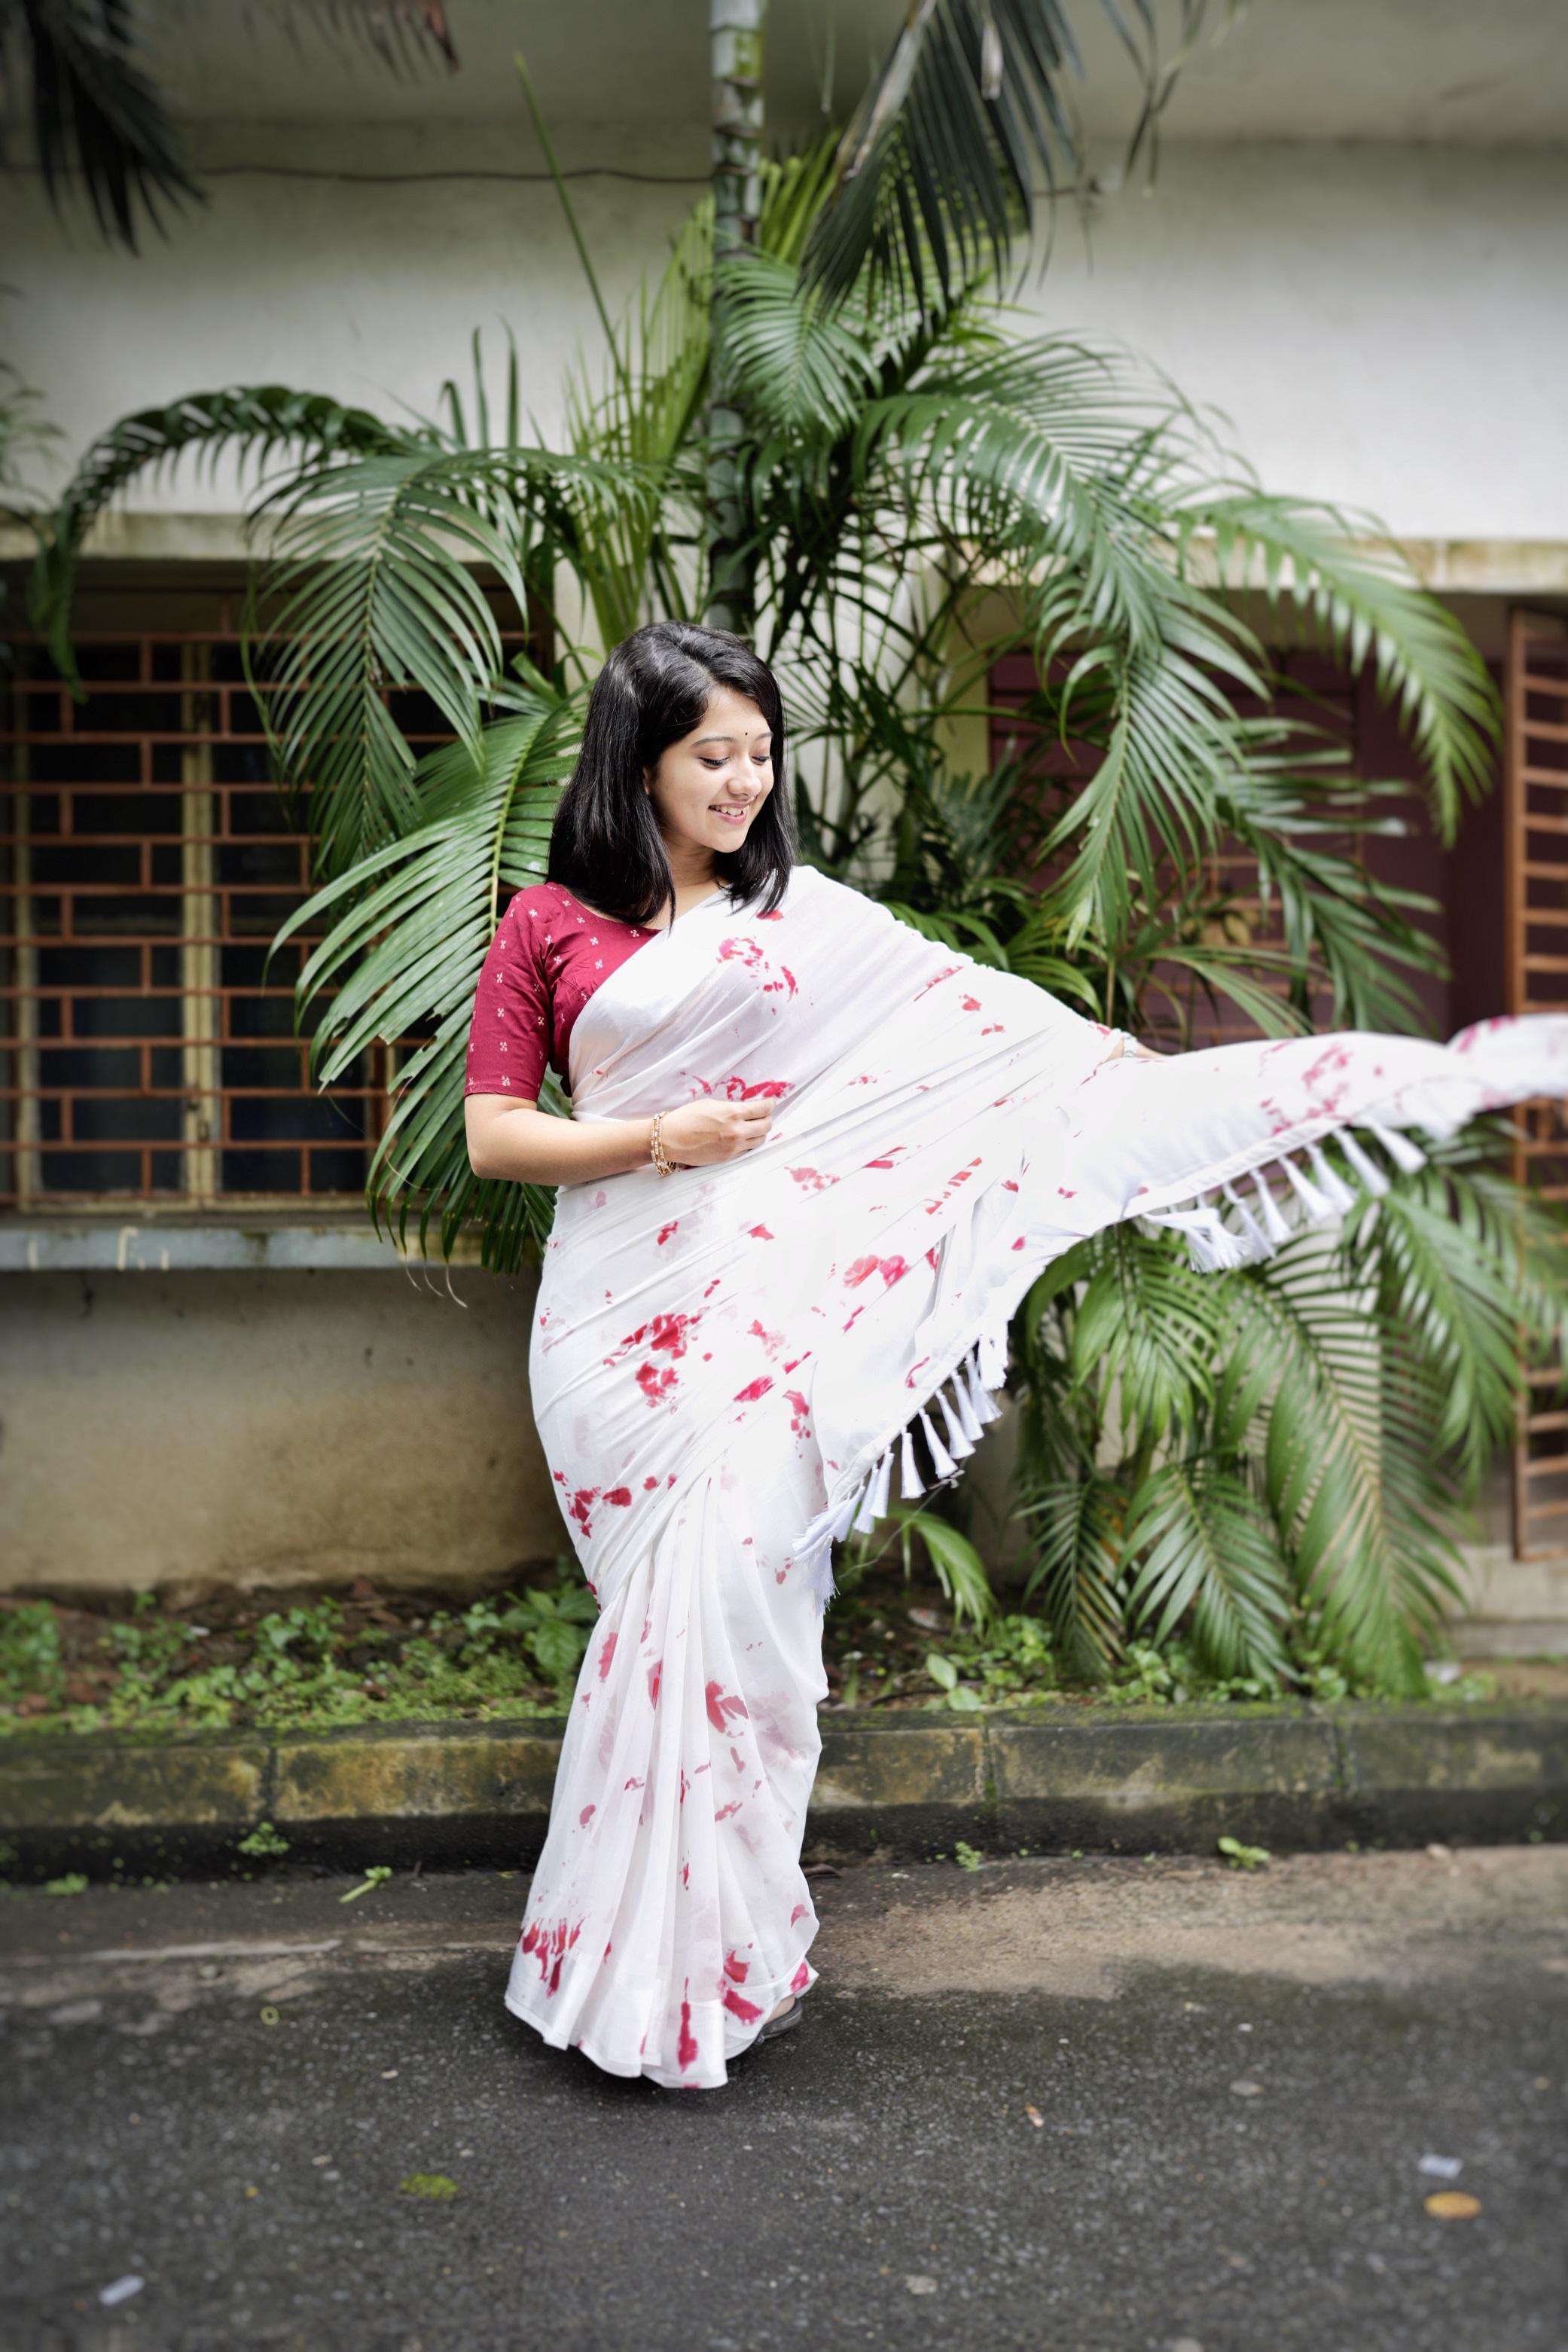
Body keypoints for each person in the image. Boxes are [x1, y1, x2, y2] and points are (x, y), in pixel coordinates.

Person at [464, 618, 1568, 2092]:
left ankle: (712, 1971)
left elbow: (965, 1018)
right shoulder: (547, 923)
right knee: (659, 1628)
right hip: (622, 1337)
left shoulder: (805, 918)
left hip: (775, 1319)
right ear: (639, 763)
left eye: (758, 752)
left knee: (749, 1625)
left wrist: (1095, 1065)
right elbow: (495, 1135)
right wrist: (658, 1135)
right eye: (710, 755)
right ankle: (630, 1971)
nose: (744, 782)